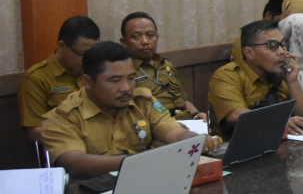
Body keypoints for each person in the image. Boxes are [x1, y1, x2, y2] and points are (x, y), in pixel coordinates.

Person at [41, 42, 218, 177]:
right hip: (93, 193)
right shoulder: (62, 118)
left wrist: (195, 141)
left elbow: (174, 133)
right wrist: (137, 162)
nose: (126, 88)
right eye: (115, 80)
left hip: (146, 179)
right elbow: (75, 163)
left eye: (131, 78)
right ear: (87, 81)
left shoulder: (142, 100)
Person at [208, 20, 303, 138]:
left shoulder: (279, 73)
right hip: (235, 148)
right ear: (249, 52)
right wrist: (279, 122)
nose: (282, 52)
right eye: (273, 46)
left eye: (282, 44)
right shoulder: (228, 75)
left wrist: (292, 81)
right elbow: (235, 116)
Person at [18, 16, 101, 144]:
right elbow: (34, 131)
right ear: (62, 46)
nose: (88, 60)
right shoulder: (37, 78)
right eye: (82, 54)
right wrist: (78, 137)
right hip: (65, 147)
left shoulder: (94, 70)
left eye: (93, 54)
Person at [118, 12, 206, 121]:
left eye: (150, 35)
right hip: (157, 127)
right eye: (136, 37)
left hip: (186, 121)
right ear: (124, 42)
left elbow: (183, 101)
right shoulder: (125, 73)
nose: (145, 41)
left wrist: (196, 113)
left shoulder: (166, 65)